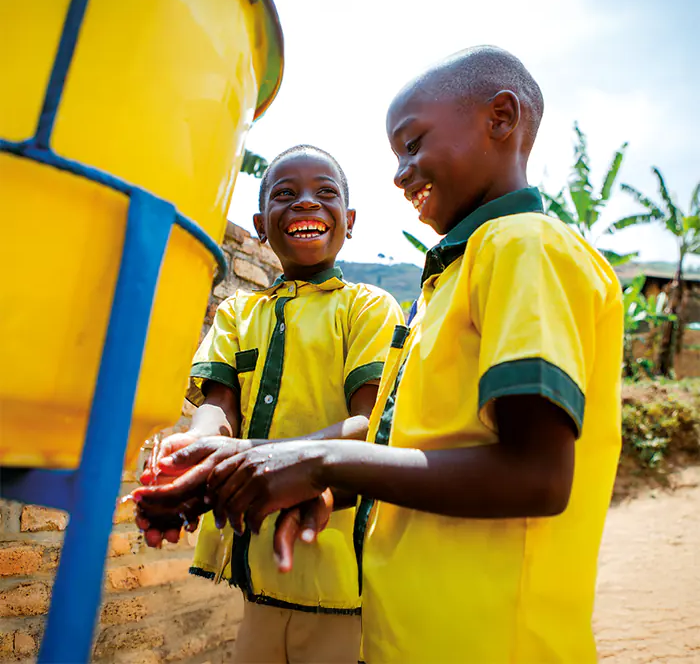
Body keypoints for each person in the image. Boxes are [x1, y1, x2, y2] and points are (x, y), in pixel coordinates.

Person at [136, 47, 623, 663]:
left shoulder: (525, 248)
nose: (401, 172)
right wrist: (323, 487)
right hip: (416, 637)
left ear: (501, 118)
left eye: (413, 143)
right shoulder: (447, 282)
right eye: (397, 155)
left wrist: (323, 462)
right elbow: (409, 445)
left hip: (495, 641)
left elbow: (537, 476)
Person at [136, 144, 404, 664]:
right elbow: (218, 406)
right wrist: (196, 446)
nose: (306, 204)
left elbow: (365, 424)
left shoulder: (367, 308)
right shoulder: (238, 312)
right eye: (285, 194)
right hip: (254, 568)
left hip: (340, 575)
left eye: (325, 193)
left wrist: (259, 459)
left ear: (349, 220)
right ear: (260, 225)